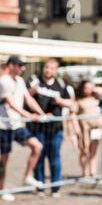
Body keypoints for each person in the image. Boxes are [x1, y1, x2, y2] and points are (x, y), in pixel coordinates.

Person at [26, 58, 74, 197]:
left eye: (52, 68)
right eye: (47, 67)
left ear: (56, 70)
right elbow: (24, 98)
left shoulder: (61, 84)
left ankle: (55, 187)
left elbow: (72, 103)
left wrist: (61, 101)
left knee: (55, 157)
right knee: (38, 156)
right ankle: (39, 186)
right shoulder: (34, 80)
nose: (48, 70)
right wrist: (32, 92)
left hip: (55, 127)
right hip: (37, 126)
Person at [0, 56, 46, 202]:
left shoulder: (19, 81)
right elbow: (10, 103)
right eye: (20, 65)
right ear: (11, 65)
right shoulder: (4, 81)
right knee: (4, 160)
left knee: (37, 146)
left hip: (16, 125)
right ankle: (2, 190)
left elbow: (29, 99)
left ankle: (27, 177)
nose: (23, 68)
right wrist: (29, 115)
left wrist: (41, 114)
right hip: (4, 126)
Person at [73, 80, 102, 177]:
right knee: (85, 150)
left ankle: (93, 171)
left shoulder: (95, 97)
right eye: (86, 88)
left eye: (90, 87)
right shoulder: (78, 100)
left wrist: (92, 88)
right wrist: (76, 128)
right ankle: (85, 170)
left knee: (94, 149)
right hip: (84, 128)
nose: (88, 90)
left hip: (96, 127)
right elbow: (73, 114)